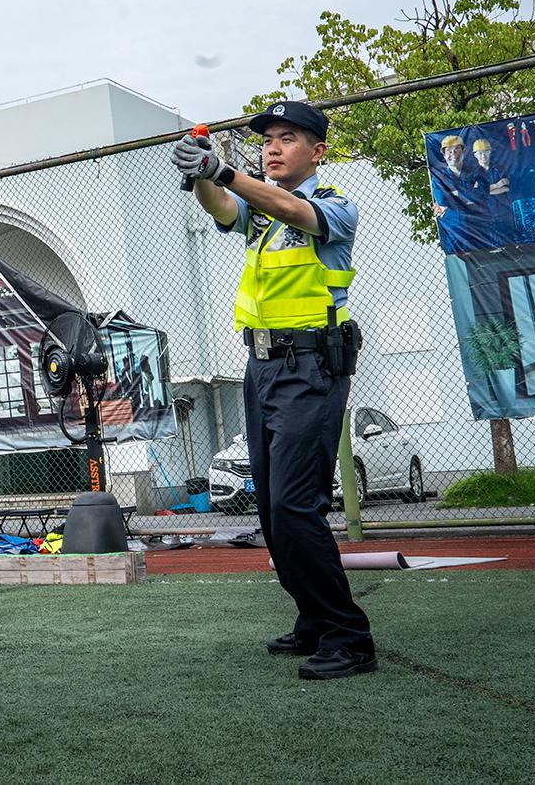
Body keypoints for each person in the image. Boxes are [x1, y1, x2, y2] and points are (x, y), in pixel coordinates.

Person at [173, 100, 376, 680]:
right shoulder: (258, 212)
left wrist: (222, 171)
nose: (273, 147)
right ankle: (314, 617)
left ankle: (348, 636)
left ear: (318, 151)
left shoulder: (334, 205)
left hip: (311, 367)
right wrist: (200, 173)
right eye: (268, 140)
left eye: (288, 138)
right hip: (261, 367)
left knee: (293, 505)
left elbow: (291, 208)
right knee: (269, 507)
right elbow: (222, 206)